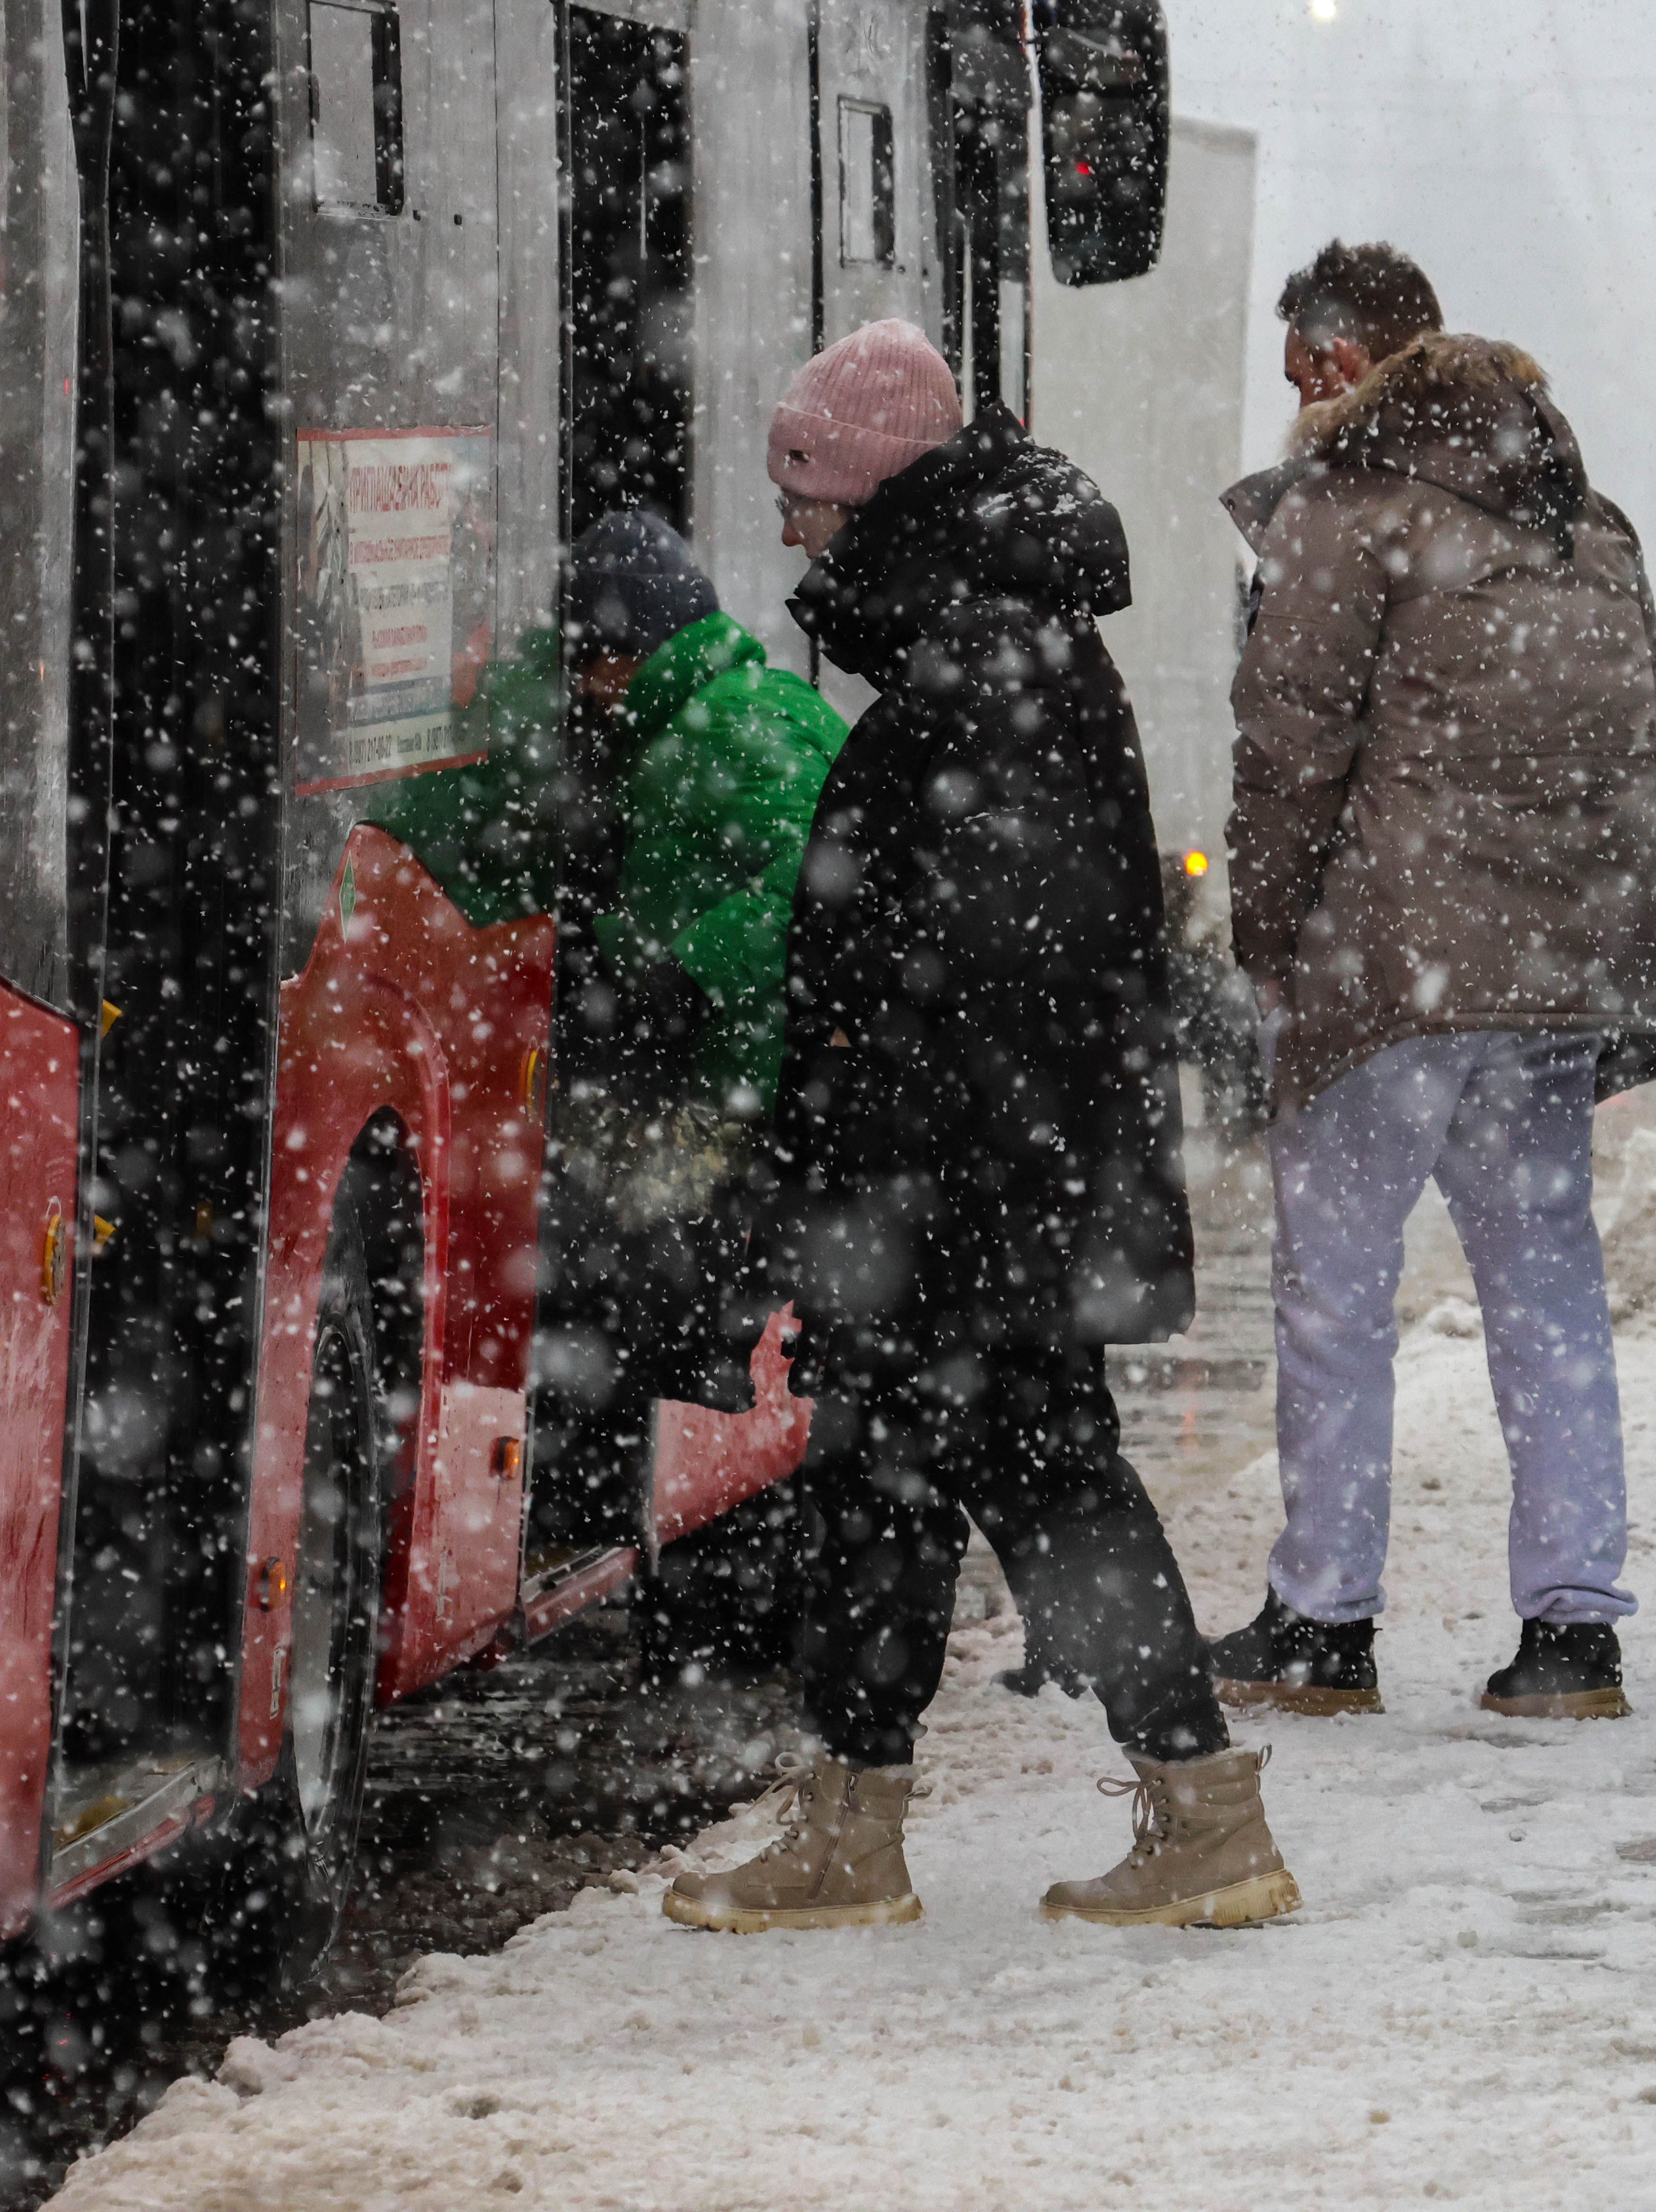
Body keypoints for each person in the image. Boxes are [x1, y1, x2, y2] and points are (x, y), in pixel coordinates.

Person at [662, 318, 1299, 1935]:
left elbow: (975, 977)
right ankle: (862, 1833)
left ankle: (1197, 1815)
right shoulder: (999, 650)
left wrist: (866, 1180)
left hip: (969, 1200)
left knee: (1044, 1490)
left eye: (807, 499)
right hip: (974, 1192)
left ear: (875, 497)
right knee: (886, 1492)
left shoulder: (985, 671)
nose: (794, 533)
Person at [1217, 333, 1656, 1722]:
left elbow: (1285, 755)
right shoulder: (1593, 535)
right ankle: (1572, 1630)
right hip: (1543, 979)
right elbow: (1632, 756)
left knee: (1335, 1294)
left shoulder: (1346, 517)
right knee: (1545, 1284)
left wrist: (1265, 946)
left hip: (1389, 971)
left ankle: (1322, 1615)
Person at [369, 511, 848, 1541]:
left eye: (595, 664)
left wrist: (680, 972)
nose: (583, 689)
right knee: (654, 1289)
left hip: (731, 1080)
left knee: (634, 1280)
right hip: (730, 1070)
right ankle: (669, 1536)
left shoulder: (727, 728)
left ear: (634, 654)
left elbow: (818, 889)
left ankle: (681, 1547)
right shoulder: (707, 717)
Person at [1220, 240, 1448, 610]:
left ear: (1342, 366)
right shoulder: (1543, 505)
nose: (1301, 410)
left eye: (1300, 381)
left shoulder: (1327, 534)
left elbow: (1293, 668)